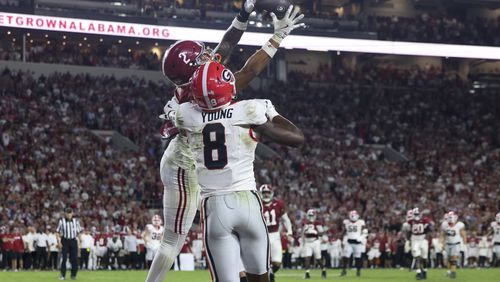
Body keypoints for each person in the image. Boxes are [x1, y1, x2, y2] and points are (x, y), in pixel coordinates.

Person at [146, 1, 258, 281]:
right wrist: (272, 43)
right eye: (198, 59)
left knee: (221, 221)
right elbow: (243, 73)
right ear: (190, 73)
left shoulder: (196, 83)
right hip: (185, 169)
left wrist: (243, 14)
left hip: (201, 165)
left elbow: (227, 44)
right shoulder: (199, 93)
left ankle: (234, 272)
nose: (206, 57)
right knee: (173, 239)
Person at [175, 42, 304, 282]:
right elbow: (297, 139)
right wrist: (272, 115)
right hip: (248, 203)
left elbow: (200, 94)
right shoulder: (249, 110)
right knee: (261, 279)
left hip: (214, 206)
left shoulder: (185, 114)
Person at [258, 184, 293, 282]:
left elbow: (285, 219)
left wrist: (289, 231)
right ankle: (267, 277)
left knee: (277, 263)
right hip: (261, 236)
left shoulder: (278, 204)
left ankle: (271, 273)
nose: (266, 195)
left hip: (275, 235)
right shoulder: (257, 204)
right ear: (261, 193)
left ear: (272, 193)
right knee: (262, 262)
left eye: (268, 192)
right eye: (264, 193)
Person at [402, 208, 432, 280]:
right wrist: (409, 241)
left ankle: (424, 271)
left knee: (424, 258)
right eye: (415, 214)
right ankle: (419, 273)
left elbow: (429, 230)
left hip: (422, 240)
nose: (416, 216)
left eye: (417, 214)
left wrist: (426, 238)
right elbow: (408, 232)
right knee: (417, 257)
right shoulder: (411, 222)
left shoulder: (424, 221)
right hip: (415, 240)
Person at [56, 207, 82, 280]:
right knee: (64, 258)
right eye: (67, 213)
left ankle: (73, 275)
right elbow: (57, 232)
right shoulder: (61, 221)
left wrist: (80, 241)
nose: (69, 214)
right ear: (65, 214)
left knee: (74, 258)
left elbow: (78, 232)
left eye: (70, 213)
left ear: (72, 213)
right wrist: (59, 242)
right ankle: (62, 275)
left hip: (73, 240)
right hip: (65, 240)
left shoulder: (76, 221)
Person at [301, 209, 327, 279]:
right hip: (307, 242)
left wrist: (315, 232)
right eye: (309, 215)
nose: (311, 217)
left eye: (312, 215)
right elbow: (303, 233)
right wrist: (306, 232)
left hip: (315, 242)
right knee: (307, 258)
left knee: (318, 259)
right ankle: (307, 273)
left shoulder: (317, 223)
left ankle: (323, 270)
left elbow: (321, 233)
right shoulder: (305, 223)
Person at [440, 211, 466, 279]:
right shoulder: (444, 224)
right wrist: (442, 243)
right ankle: (449, 271)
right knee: (448, 259)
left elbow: (463, 235)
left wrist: (465, 244)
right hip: (448, 244)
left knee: (453, 258)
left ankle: (453, 273)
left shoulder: (459, 225)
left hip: (456, 244)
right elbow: (442, 235)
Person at [341, 210, 366, 277]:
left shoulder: (360, 222)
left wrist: (361, 238)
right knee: (345, 257)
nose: (352, 217)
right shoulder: (346, 222)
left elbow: (365, 231)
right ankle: (344, 271)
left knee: (358, 258)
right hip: (349, 242)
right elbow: (343, 231)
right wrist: (342, 238)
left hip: (357, 243)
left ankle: (358, 272)